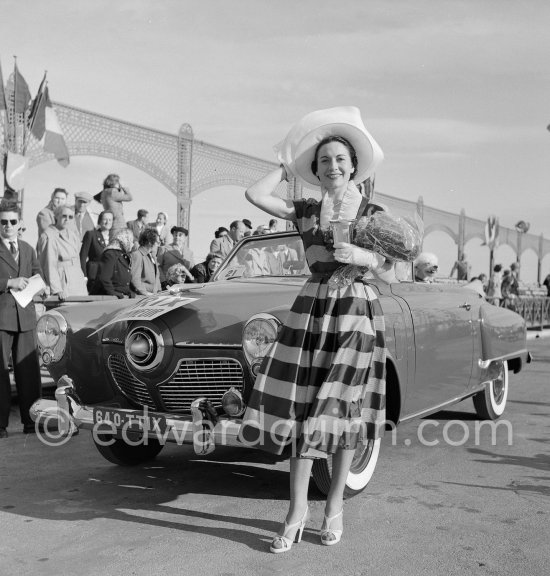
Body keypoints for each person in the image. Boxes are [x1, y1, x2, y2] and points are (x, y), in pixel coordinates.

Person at [239, 107, 387, 552]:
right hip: (312, 311)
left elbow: (397, 273)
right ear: (315, 170)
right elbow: (253, 193)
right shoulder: (305, 210)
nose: (333, 166)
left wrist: (366, 259)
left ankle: (335, 506)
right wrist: (285, 167)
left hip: (356, 312)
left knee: (344, 412)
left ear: (354, 165)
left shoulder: (374, 214)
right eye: (324, 161)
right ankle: (296, 512)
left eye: (341, 159)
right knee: (303, 412)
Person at [0, 201, 45, 437]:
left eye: (12, 221)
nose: (8, 226)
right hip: (2, 318)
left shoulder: (27, 248)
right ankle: (0, 426)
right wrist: (8, 283)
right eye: (3, 222)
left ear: (20, 224)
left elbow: (37, 272)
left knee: (29, 371)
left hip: (25, 316)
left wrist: (40, 286)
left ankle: (32, 422)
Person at [37, 205, 87, 300]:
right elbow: (49, 265)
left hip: (77, 280)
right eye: (64, 216)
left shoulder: (72, 235)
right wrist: (57, 289)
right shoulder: (49, 236)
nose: (67, 219)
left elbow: (77, 260)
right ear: (56, 216)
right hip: (62, 281)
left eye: (70, 217)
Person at [92, 228, 134, 299]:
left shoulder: (124, 256)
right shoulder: (110, 254)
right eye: (131, 241)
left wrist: (129, 291)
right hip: (107, 300)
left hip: (120, 297)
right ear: (125, 240)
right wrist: (113, 293)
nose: (132, 244)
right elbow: (104, 278)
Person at [80, 210, 114, 293]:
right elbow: (82, 257)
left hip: (110, 279)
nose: (107, 222)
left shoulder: (114, 238)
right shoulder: (91, 234)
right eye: (105, 219)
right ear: (100, 221)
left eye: (110, 220)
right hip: (94, 277)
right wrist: (84, 276)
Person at [130, 228, 161, 295]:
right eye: (157, 242)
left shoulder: (152, 256)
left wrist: (159, 292)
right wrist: (146, 293)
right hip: (143, 298)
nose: (159, 245)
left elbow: (157, 279)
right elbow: (135, 280)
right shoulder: (137, 255)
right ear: (150, 242)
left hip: (154, 297)